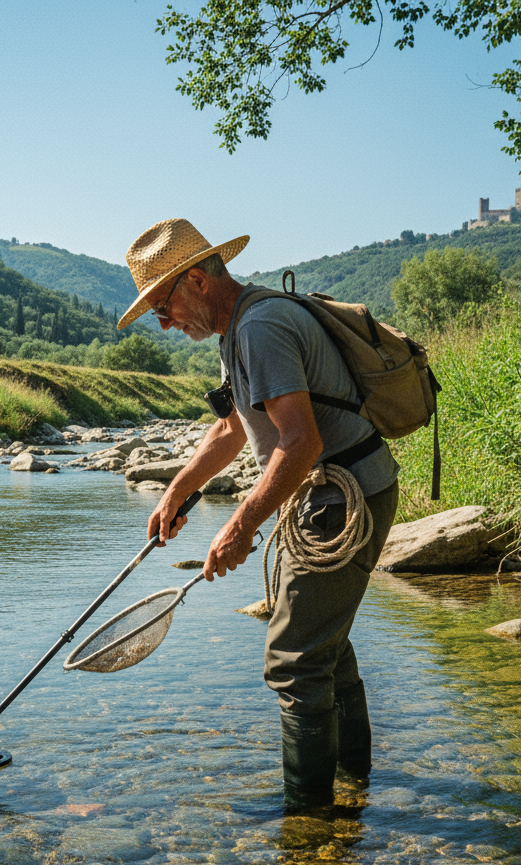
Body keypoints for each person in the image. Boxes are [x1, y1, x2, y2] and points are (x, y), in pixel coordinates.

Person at [117, 218, 400, 809]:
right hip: (328, 493)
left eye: (161, 307)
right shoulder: (237, 327)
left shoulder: (261, 327)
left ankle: (310, 821)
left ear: (195, 279)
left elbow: (302, 445)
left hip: (341, 496)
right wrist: (177, 490)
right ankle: (356, 784)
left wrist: (239, 525)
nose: (162, 323)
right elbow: (232, 426)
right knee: (326, 643)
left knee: (294, 661)